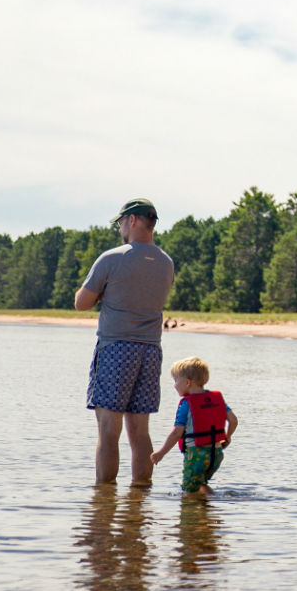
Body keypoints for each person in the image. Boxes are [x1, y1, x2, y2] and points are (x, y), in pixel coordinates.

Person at [77, 198, 176, 486]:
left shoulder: (112, 257)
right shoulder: (166, 262)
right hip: (150, 350)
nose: (120, 227)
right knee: (140, 432)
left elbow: (81, 303)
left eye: (120, 222)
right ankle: (140, 497)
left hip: (116, 349)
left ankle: (103, 499)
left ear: (131, 220)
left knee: (109, 430)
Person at [149, 357, 239, 495]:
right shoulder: (216, 399)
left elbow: (177, 433)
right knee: (200, 484)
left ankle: (197, 513)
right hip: (216, 454)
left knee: (189, 491)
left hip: (196, 455)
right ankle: (208, 510)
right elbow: (233, 420)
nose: (174, 385)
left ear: (187, 382)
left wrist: (161, 453)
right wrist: (228, 436)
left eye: (175, 380)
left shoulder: (186, 404)